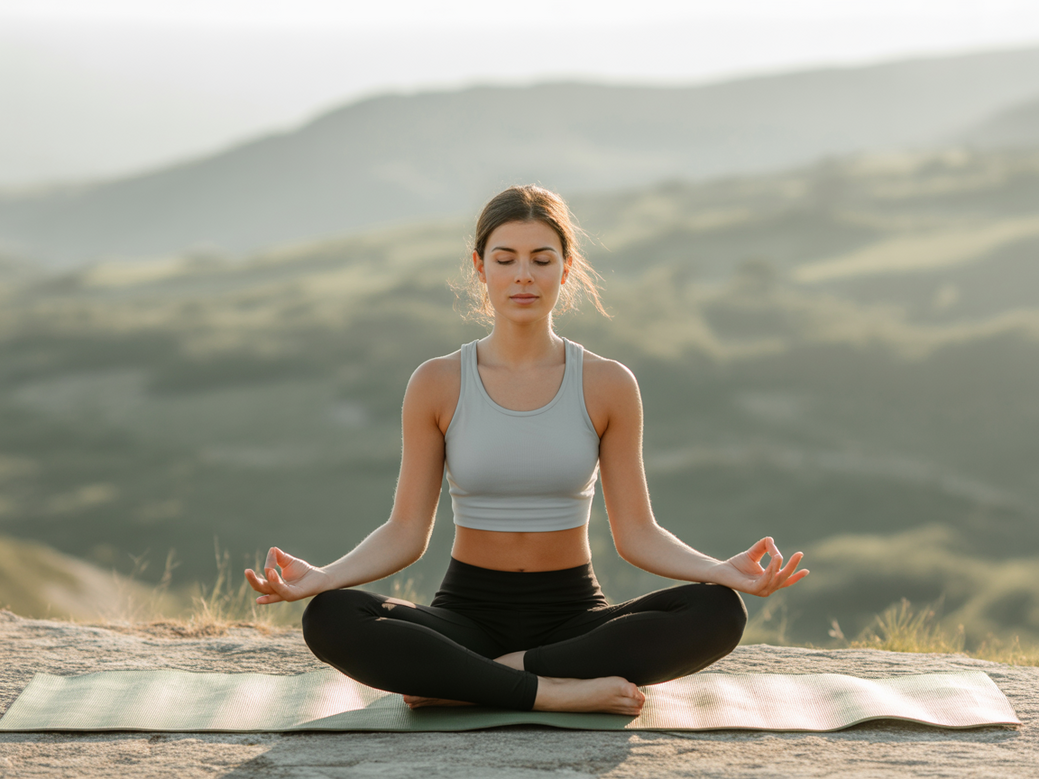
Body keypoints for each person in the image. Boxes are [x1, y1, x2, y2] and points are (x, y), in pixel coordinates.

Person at [245, 184, 808, 716]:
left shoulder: (607, 383)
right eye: (505, 257)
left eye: (541, 259)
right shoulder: (438, 382)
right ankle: (549, 693)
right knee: (332, 616)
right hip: (464, 614)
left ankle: (473, 681)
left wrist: (720, 571)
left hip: (575, 621)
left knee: (716, 611)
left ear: (567, 268)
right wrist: (323, 577)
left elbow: (637, 533)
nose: (523, 276)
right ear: (479, 267)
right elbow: (405, 533)